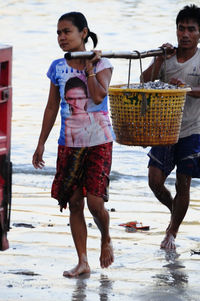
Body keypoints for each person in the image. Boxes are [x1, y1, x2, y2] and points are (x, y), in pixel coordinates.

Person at [32, 11, 114, 277]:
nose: (62, 37)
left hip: (99, 141)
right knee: (75, 202)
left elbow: (100, 94)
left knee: (94, 203)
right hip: (69, 143)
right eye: (58, 33)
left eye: (67, 32)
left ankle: (106, 237)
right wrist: (41, 143)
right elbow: (52, 106)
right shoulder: (57, 66)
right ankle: (82, 261)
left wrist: (89, 67)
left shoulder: (103, 64)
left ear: (84, 33)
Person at [142, 4, 200, 250]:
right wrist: (158, 60)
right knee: (154, 181)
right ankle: (174, 210)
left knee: (182, 183)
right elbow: (144, 80)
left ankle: (172, 232)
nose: (185, 34)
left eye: (191, 29)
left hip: (192, 129)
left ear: (199, 33)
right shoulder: (166, 56)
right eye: (181, 29)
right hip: (164, 128)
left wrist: (183, 89)